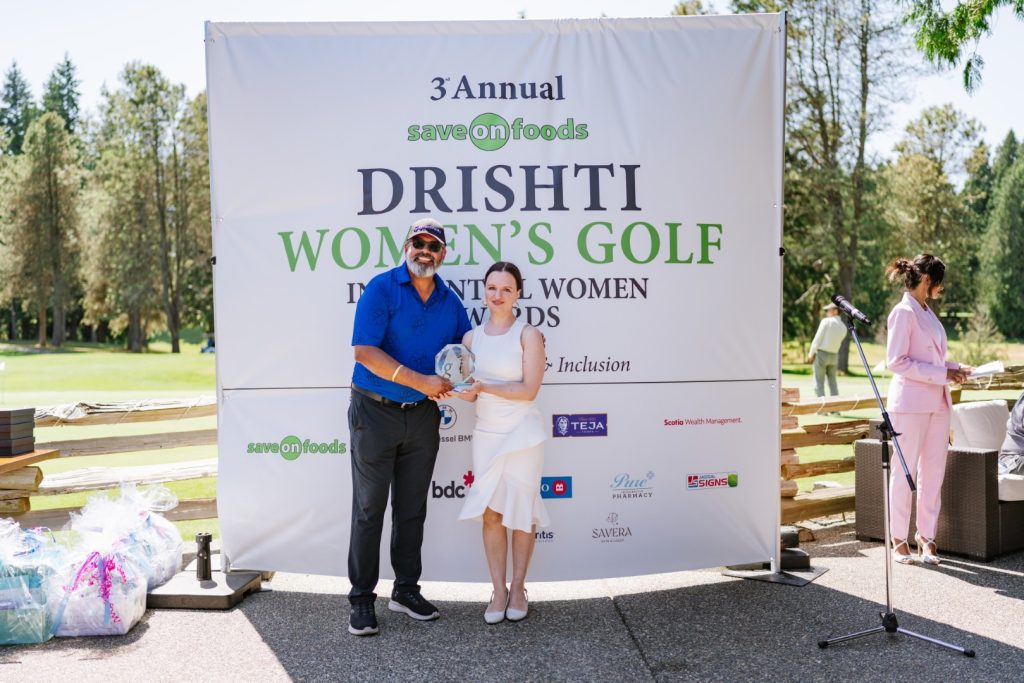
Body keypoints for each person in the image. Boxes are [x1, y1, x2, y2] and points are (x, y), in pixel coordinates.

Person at [346, 218, 471, 636]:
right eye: (418, 243)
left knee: (412, 509)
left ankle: (405, 591)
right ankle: (361, 599)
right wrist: (421, 381)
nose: (425, 251)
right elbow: (364, 352)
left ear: (443, 255)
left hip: (421, 416)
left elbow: (466, 350)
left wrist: (468, 381)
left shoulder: (449, 301)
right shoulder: (381, 288)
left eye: (433, 246)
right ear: (406, 247)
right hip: (374, 413)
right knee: (369, 510)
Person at [450, 261, 548, 624]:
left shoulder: (528, 335)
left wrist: (484, 386)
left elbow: (528, 390)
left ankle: (519, 587)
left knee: (522, 512)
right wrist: (452, 389)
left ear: (518, 294)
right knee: (491, 514)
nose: (498, 295)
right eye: (492, 288)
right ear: (484, 292)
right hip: (486, 435)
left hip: (522, 433)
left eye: (506, 289)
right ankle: (498, 590)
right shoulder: (470, 339)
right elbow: (471, 394)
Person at [884, 254, 971, 566]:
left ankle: (926, 537)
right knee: (904, 472)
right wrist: (943, 373)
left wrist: (955, 368)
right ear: (926, 280)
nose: (941, 288)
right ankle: (898, 539)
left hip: (938, 404)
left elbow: (931, 360)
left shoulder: (927, 313)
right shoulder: (903, 312)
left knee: (933, 474)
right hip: (909, 405)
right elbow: (896, 361)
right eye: (939, 282)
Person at [807, 303, 847, 397]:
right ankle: (835, 405)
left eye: (829, 310)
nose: (827, 312)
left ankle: (821, 406)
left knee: (818, 382)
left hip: (822, 354)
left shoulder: (826, 322)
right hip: (834, 356)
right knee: (832, 383)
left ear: (835, 311)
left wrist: (811, 353)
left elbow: (817, 339)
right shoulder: (843, 327)